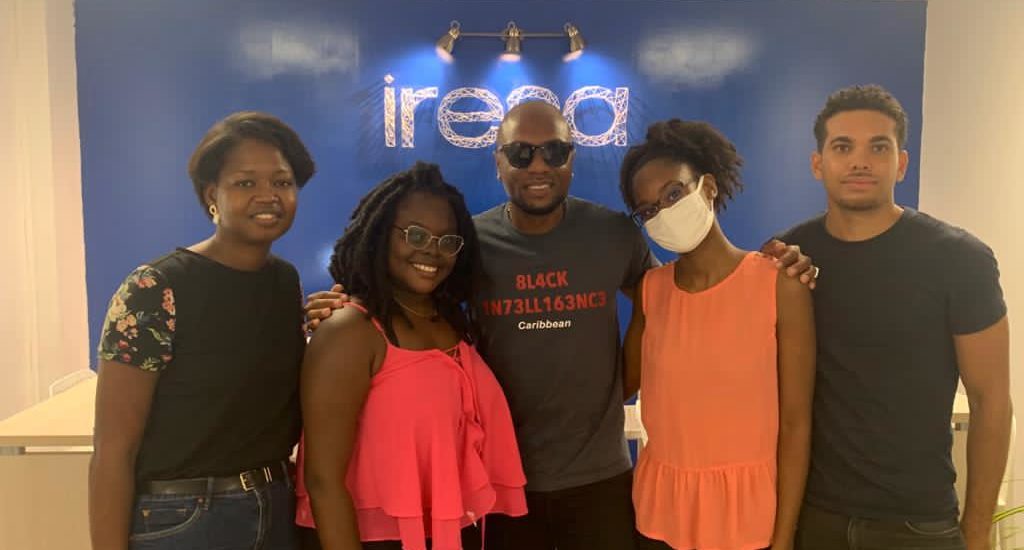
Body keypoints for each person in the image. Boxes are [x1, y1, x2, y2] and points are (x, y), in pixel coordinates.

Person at [306, 101, 818, 550]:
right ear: (499, 162)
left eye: (554, 151)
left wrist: (777, 269)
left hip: (602, 479)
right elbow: (416, 297)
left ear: (572, 159)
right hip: (505, 481)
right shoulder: (470, 244)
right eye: (521, 153)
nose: (539, 165)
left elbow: (683, 301)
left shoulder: (614, 234)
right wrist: (346, 303)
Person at [777, 84, 1012, 549]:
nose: (860, 162)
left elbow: (991, 402)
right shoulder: (792, 259)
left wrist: (977, 532)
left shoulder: (958, 258)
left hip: (917, 524)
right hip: (816, 518)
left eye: (878, 147)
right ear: (818, 164)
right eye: (843, 147)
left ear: (901, 164)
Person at [90, 111, 316, 550]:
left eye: (282, 182)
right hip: (186, 519)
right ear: (213, 195)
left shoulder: (284, 282)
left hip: (276, 507)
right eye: (245, 183)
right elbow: (113, 450)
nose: (268, 195)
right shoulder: (155, 288)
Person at [295, 162, 526, 550]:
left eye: (447, 241)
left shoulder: (451, 321)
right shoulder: (350, 331)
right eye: (416, 235)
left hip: (454, 533)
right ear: (380, 235)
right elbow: (322, 481)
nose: (432, 251)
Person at [618, 119, 815, 550]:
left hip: (748, 520)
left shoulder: (779, 284)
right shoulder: (651, 290)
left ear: (707, 186)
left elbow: (797, 424)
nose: (663, 213)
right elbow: (622, 385)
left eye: (673, 194)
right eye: (648, 210)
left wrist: (784, 538)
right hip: (659, 515)